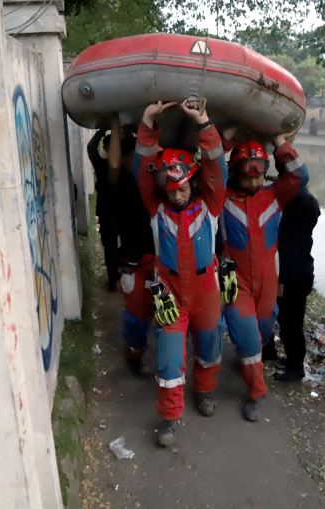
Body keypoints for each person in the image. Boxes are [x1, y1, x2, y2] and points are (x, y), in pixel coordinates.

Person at [134, 99, 227, 447]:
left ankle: (205, 391)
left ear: (194, 183)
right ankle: (170, 419)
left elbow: (218, 166)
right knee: (170, 357)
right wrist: (148, 121)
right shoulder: (157, 209)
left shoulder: (210, 205)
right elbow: (142, 169)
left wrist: (203, 123)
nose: (176, 196)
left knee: (211, 346)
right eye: (171, 191)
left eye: (183, 189)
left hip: (206, 291)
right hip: (170, 291)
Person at [219, 133, 309, 420]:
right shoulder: (221, 195)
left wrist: (280, 143)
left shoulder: (275, 195)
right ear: (234, 173)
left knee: (263, 329)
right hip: (236, 279)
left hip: (269, 279)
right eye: (248, 178)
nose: (255, 183)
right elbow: (211, 171)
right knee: (246, 335)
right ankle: (257, 393)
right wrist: (225, 143)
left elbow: (300, 176)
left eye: (259, 177)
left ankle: (249, 359)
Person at [99, 116, 156, 376]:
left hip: (160, 266)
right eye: (127, 156)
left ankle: (169, 363)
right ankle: (134, 356)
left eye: (136, 156)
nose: (132, 161)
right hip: (134, 264)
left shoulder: (157, 182)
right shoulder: (118, 184)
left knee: (168, 317)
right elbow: (112, 163)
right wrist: (114, 126)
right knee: (136, 317)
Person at [263, 188, 320, 382]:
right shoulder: (298, 208)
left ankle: (295, 366)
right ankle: (269, 351)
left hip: (293, 277)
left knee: (290, 323)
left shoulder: (300, 210)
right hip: (288, 273)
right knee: (269, 313)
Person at [87, 129, 121, 291]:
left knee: (122, 245)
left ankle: (119, 274)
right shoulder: (102, 165)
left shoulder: (127, 164)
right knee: (109, 247)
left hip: (123, 212)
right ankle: (113, 278)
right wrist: (102, 130)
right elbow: (91, 147)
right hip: (108, 213)